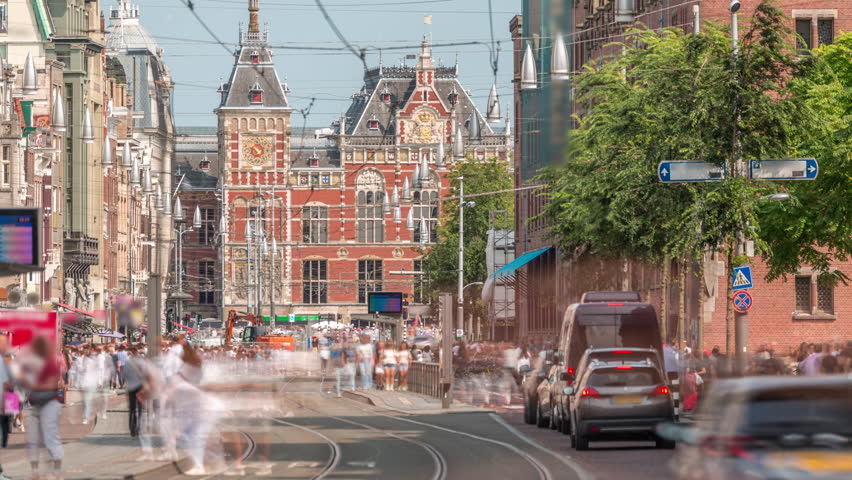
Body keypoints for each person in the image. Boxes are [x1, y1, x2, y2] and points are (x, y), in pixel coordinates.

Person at [18, 336, 64, 480]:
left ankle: (57, 472)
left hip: (49, 403)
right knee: (32, 439)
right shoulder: (27, 363)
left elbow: (52, 385)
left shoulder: (50, 363)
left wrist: (31, 385)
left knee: (50, 437)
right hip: (32, 402)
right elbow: (18, 380)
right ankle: (35, 471)